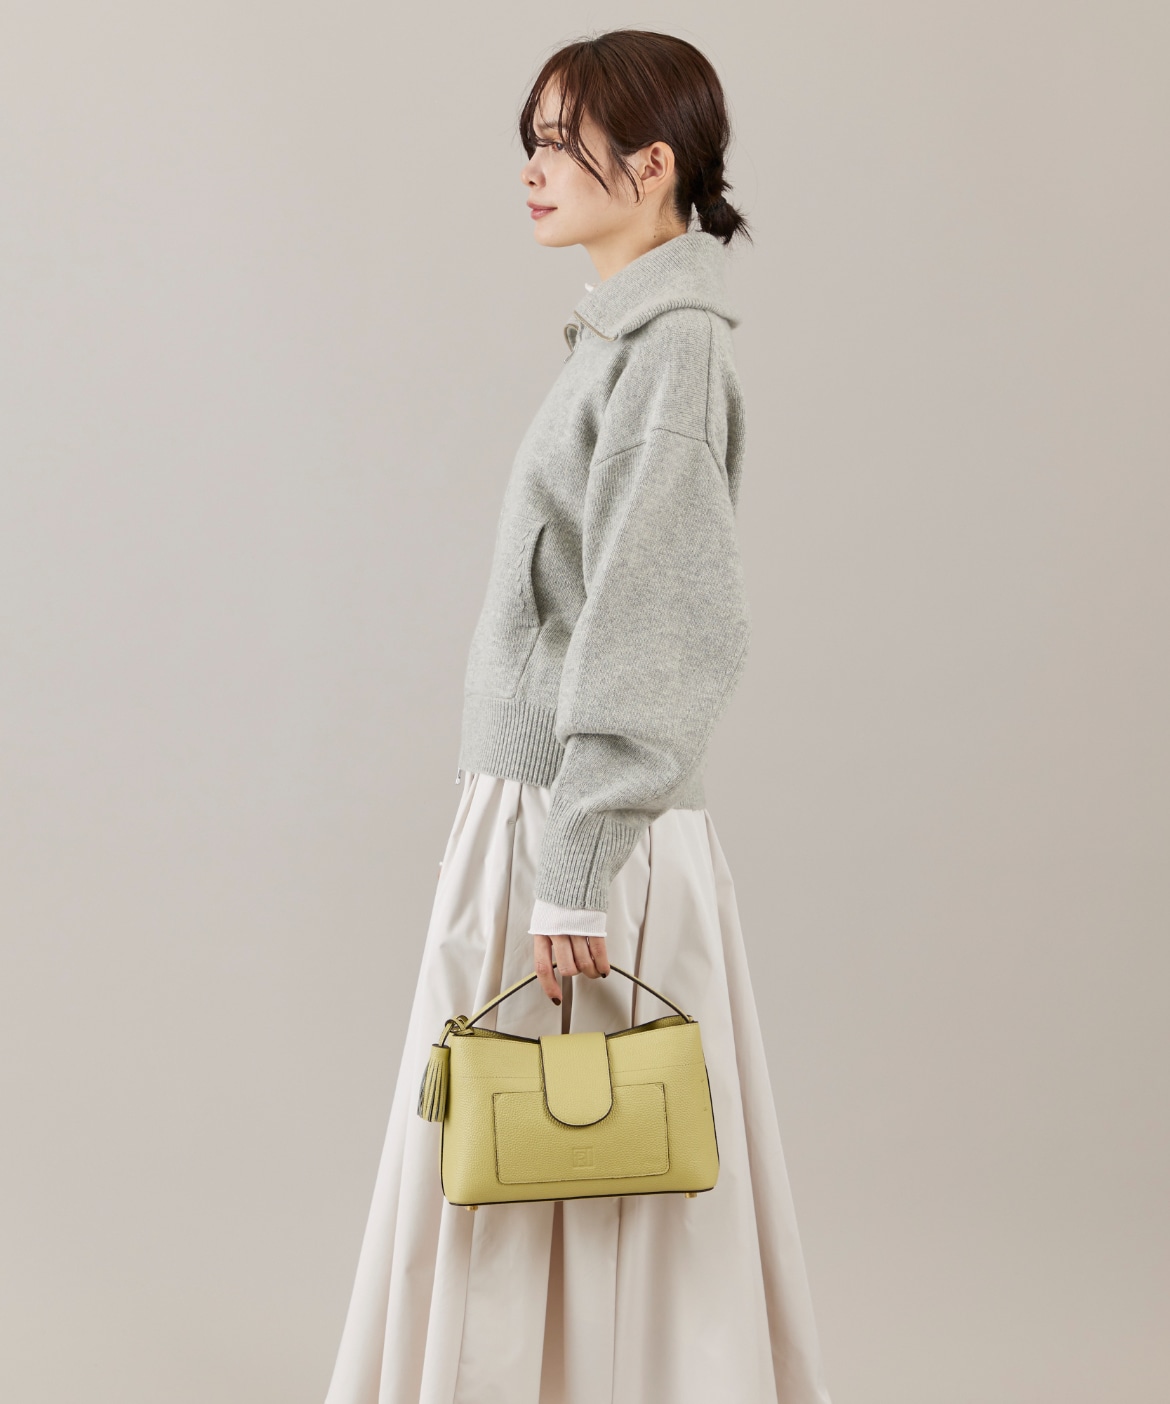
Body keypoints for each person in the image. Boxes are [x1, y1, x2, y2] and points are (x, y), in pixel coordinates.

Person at [323, 29, 832, 1404]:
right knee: (521, 1166)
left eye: (561, 142)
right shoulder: (622, 343)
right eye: (531, 142)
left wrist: (575, 867)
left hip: (579, 824)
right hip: (544, 809)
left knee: (585, 1173)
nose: (533, 170)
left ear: (651, 166)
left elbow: (660, 624)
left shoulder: (669, 354)